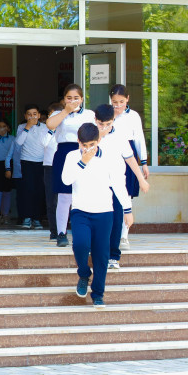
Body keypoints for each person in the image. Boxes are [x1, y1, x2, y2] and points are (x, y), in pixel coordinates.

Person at [61, 123, 134, 308]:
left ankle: (98, 294)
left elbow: (119, 184)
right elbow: (66, 180)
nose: (88, 149)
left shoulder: (110, 157)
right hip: (80, 211)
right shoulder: (72, 156)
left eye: (91, 144)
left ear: (98, 141)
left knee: (101, 255)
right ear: (79, 142)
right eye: (84, 145)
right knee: (80, 245)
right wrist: (83, 161)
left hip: (104, 212)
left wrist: (127, 210)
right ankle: (84, 274)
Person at [94, 104, 150, 270]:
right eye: (101, 124)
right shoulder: (90, 134)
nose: (104, 127)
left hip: (117, 184)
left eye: (108, 124)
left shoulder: (119, 136)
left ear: (113, 120)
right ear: (95, 120)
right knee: (99, 221)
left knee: (116, 220)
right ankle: (98, 254)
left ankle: (113, 256)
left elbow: (130, 158)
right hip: (96, 185)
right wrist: (98, 136)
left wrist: (141, 179)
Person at [46, 84, 96, 247]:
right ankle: (61, 233)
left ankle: (84, 232)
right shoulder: (59, 114)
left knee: (84, 194)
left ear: (82, 99)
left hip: (84, 152)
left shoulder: (89, 114)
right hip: (64, 153)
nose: (73, 101)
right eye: (69, 98)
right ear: (64, 99)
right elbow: (50, 125)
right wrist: (66, 111)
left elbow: (97, 134)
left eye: (76, 98)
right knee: (64, 195)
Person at [109, 84, 149, 251]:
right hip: (111, 154)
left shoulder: (133, 116)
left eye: (121, 102)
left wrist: (144, 162)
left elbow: (139, 138)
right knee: (111, 195)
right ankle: (110, 234)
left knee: (126, 195)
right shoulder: (107, 114)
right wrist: (113, 116)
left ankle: (124, 235)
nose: (118, 105)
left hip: (129, 154)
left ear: (127, 99)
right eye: (115, 102)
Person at [15, 103, 50, 230]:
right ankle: (27, 217)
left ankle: (37, 218)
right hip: (27, 161)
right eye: (29, 114)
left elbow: (46, 143)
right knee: (28, 190)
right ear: (25, 116)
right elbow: (18, 142)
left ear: (39, 115)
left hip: (41, 162)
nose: (32, 116)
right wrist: (28, 127)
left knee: (39, 191)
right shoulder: (21, 127)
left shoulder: (45, 127)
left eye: (35, 114)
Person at [41, 100, 62, 241]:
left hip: (64, 166)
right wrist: (51, 130)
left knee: (64, 199)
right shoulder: (46, 128)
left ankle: (63, 229)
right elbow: (43, 143)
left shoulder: (67, 128)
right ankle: (54, 231)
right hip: (49, 166)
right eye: (51, 115)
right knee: (51, 200)